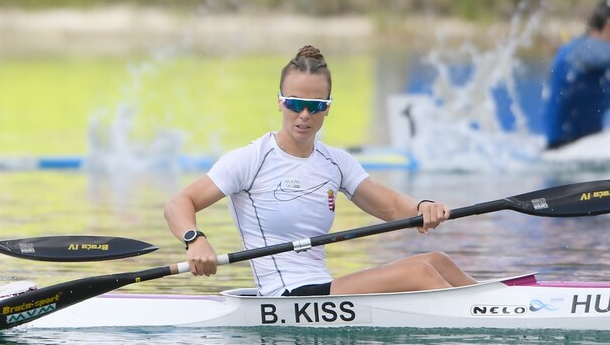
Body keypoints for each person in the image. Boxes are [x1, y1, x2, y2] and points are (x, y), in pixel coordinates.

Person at [163, 45, 476, 297]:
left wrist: (424, 208)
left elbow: (393, 207)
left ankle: (498, 307)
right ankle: (481, 323)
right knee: (419, 273)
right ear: (279, 102)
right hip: (285, 294)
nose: (303, 116)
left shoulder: (335, 162)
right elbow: (179, 203)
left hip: (320, 289)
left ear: (327, 107)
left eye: (314, 106)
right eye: (294, 104)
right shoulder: (251, 159)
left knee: (437, 261)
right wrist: (195, 239)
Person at [543, 0, 610, 150]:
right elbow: (595, 54)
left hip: (584, 151)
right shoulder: (578, 49)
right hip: (561, 152)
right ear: (608, 26)